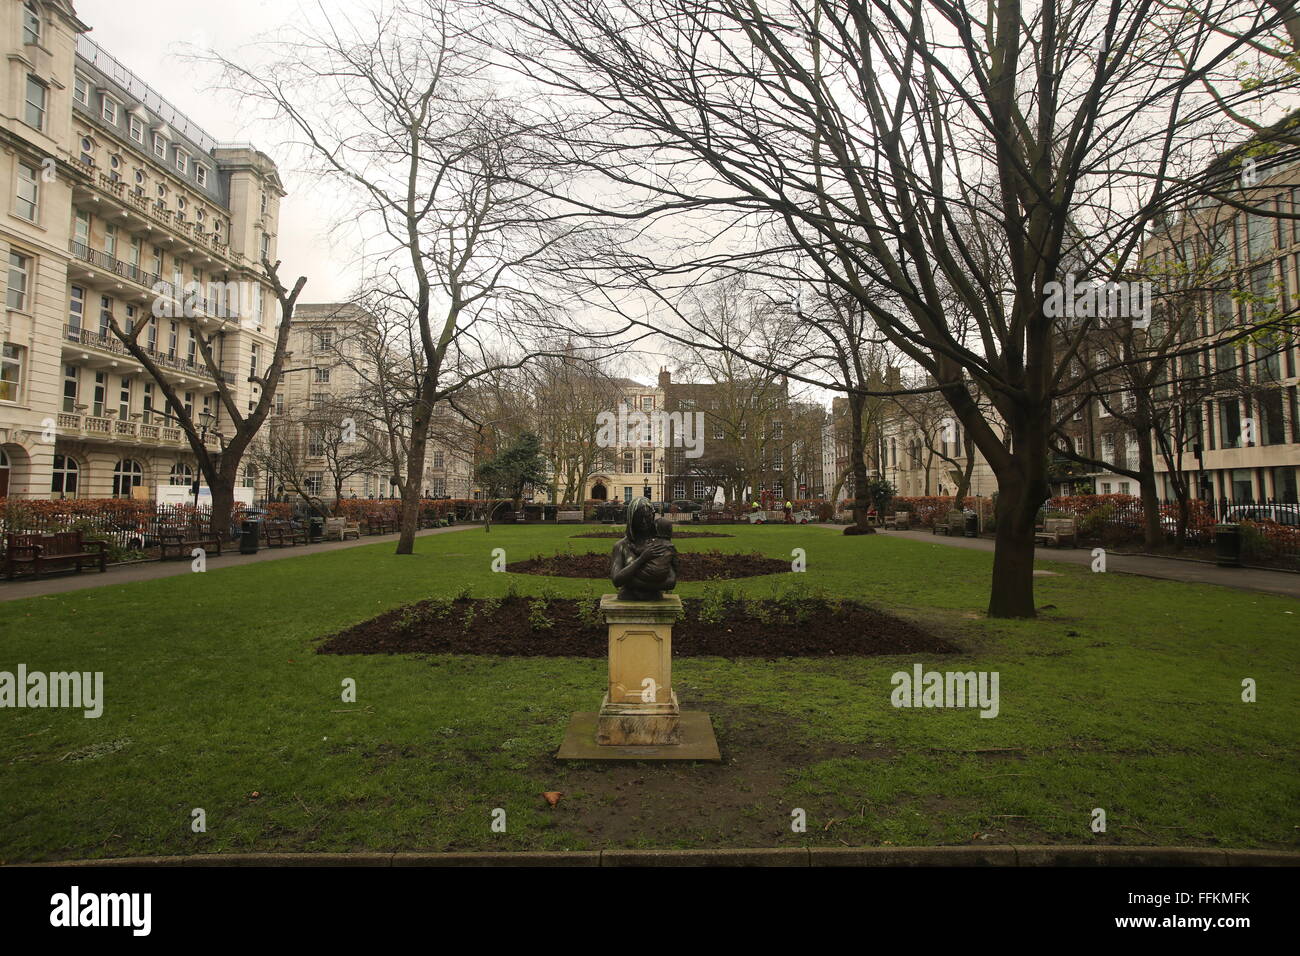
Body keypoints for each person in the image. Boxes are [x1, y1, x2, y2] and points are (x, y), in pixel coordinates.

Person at [610, 496, 677, 601]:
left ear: (653, 516)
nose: (644, 522)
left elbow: (671, 582)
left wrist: (632, 583)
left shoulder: (660, 545)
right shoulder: (621, 546)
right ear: (631, 519)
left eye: (647, 517)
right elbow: (617, 580)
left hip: (655, 599)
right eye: (639, 518)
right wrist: (642, 558)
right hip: (627, 597)